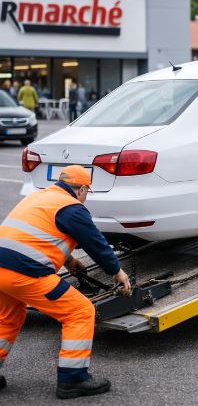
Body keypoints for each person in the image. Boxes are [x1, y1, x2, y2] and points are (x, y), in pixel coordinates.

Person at [0, 165, 131, 399]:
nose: (86, 197)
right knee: (79, 312)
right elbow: (96, 243)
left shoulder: (40, 196)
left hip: (2, 269)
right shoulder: (72, 208)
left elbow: (38, 233)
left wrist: (68, 260)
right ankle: (73, 379)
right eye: (86, 192)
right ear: (81, 189)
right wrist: (117, 271)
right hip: (26, 272)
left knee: (8, 317)